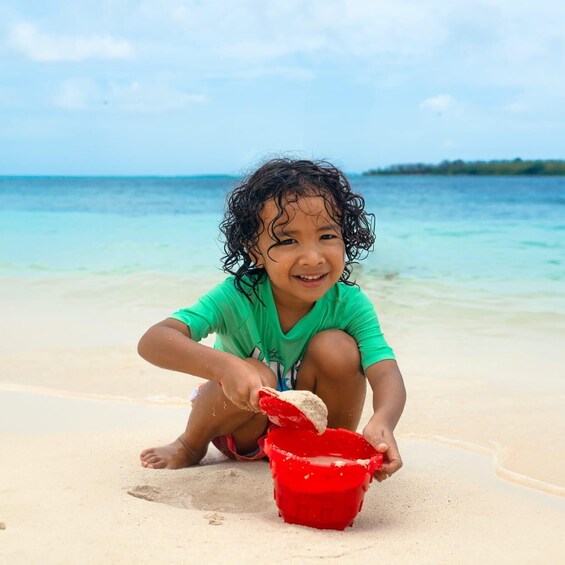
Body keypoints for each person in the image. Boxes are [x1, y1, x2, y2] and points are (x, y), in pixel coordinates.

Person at [138, 158, 406, 482]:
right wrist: (224, 367)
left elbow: (385, 369)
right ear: (255, 250)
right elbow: (153, 340)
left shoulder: (349, 304)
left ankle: (330, 452)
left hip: (307, 433)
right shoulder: (239, 296)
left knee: (338, 348)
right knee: (256, 372)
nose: (313, 257)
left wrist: (383, 420)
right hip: (242, 428)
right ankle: (189, 445)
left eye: (327, 236)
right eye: (287, 240)